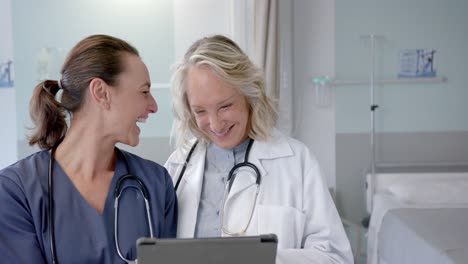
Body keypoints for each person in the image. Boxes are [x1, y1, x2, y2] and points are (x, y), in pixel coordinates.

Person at [164, 35, 353, 264]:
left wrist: (263, 259)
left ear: (249, 94)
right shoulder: (178, 166)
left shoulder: (297, 161)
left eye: (225, 106)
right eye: (200, 111)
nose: (215, 124)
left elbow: (335, 258)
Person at [0, 34, 177, 263]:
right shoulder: (16, 191)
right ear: (101, 93)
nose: (153, 106)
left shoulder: (155, 183)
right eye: (144, 91)